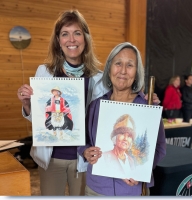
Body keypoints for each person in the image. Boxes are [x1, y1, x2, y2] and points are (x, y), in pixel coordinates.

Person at [17, 10, 160, 196]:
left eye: (77, 33)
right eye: (65, 34)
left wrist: (144, 100)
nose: (72, 40)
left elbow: (117, 104)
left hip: (84, 160)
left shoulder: (99, 78)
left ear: (85, 38)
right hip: (51, 158)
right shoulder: (44, 72)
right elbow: (40, 120)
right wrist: (28, 104)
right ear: (58, 41)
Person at [78, 42, 166, 196]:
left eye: (130, 65)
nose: (123, 71)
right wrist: (85, 151)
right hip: (96, 189)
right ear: (109, 69)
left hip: (131, 190)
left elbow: (160, 147)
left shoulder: (147, 106)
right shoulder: (96, 106)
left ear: (137, 72)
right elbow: (81, 140)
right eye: (118, 63)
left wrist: (141, 170)